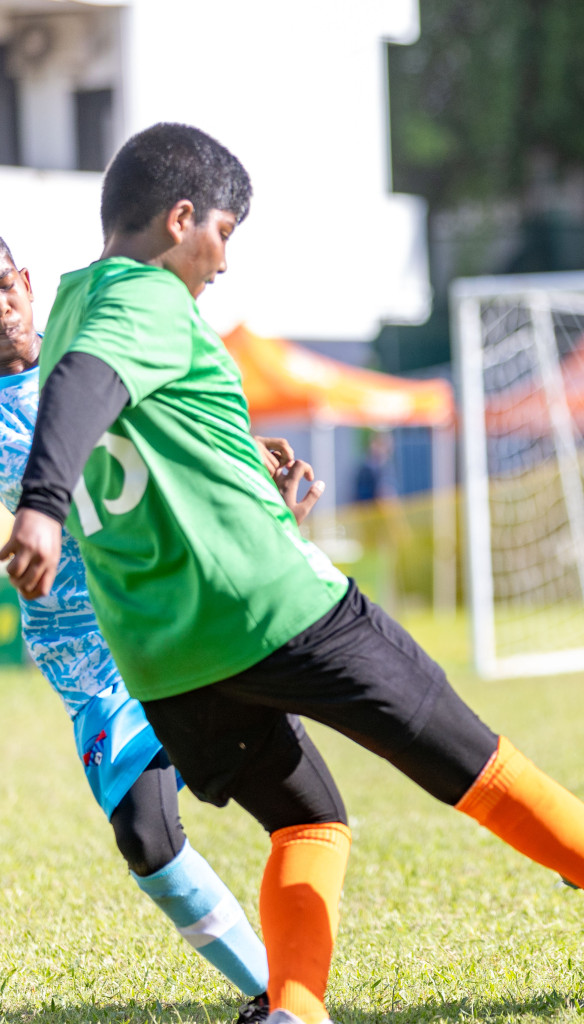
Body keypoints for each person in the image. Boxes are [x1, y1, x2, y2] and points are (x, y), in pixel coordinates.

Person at [0, 123, 584, 1024]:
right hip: (275, 608)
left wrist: (236, 464)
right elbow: (85, 384)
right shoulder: (136, 298)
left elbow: (123, 425)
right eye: (224, 234)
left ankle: (292, 1012)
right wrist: (41, 502)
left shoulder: (69, 301)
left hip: (171, 661)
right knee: (483, 766)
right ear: (181, 217)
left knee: (309, 820)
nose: (223, 262)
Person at [0, 234, 279, 1022]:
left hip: (176, 622)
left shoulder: (83, 356)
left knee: (307, 770)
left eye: (1, 286)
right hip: (92, 668)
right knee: (148, 841)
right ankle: (271, 989)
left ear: (21, 280)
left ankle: (553, 846)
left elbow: (173, 434)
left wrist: (253, 465)